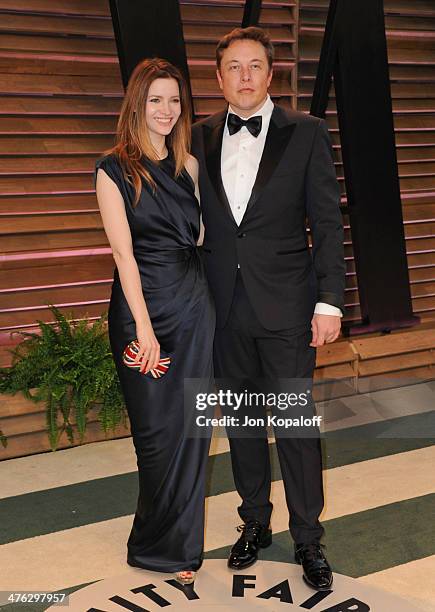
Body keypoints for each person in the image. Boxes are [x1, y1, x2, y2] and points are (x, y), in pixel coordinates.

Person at [192, 27, 345, 591]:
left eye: (255, 65)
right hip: (221, 309)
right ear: (219, 76)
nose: (246, 77)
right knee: (242, 426)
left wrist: (329, 300)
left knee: (296, 428)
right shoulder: (199, 137)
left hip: (289, 307)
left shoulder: (305, 133)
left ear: (271, 73)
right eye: (234, 67)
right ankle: (254, 523)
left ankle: (309, 539)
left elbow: (327, 223)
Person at [95, 58, 215, 585]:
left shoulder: (188, 166)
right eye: (155, 100)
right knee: (156, 433)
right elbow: (124, 257)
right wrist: (143, 327)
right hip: (142, 310)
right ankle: (152, 542)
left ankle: (176, 548)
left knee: (192, 429)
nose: (166, 111)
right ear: (137, 105)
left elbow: (202, 237)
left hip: (193, 306)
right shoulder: (112, 170)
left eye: (174, 100)